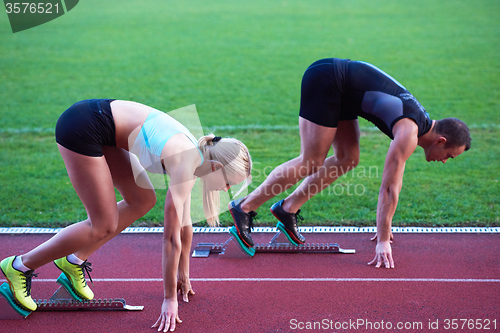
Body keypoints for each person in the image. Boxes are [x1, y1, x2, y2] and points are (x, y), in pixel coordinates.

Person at [0, 99, 252, 332]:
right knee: (102, 224)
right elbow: (170, 238)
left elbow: (185, 225)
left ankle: (73, 261)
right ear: (217, 167)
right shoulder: (186, 164)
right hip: (82, 127)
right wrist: (168, 299)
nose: (227, 189)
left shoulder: (196, 158)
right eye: (229, 182)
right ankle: (19, 266)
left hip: (102, 128)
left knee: (142, 201)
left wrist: (183, 274)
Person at [229, 58, 471, 267]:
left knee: (348, 158)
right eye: (450, 155)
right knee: (311, 161)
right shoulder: (409, 132)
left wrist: (383, 228)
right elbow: (389, 188)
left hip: (343, 89)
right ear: (440, 141)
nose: (445, 161)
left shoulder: (414, 126)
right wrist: (383, 239)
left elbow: (393, 185)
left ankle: (287, 208)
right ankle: (244, 208)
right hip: (328, 80)